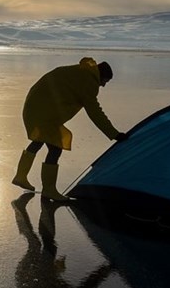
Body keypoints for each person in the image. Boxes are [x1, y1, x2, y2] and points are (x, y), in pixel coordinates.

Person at [12, 57, 127, 200]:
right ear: (100, 75)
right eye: (105, 81)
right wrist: (114, 134)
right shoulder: (89, 82)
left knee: (40, 140)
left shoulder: (81, 72)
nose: (103, 85)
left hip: (36, 106)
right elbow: (95, 112)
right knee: (55, 147)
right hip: (43, 110)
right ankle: (49, 189)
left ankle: (21, 176)